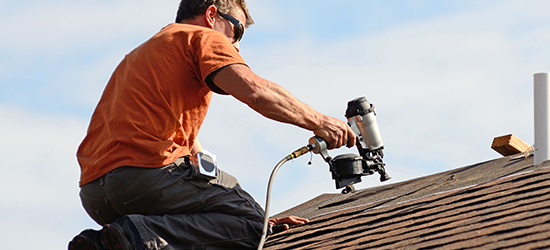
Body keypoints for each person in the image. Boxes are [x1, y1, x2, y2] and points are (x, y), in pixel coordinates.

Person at [68, 0, 356, 249]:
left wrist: (239, 216)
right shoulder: (201, 38)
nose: (237, 45)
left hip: (95, 194)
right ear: (212, 15)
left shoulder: (143, 55)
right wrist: (320, 122)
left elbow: (187, 146)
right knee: (251, 223)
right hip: (145, 175)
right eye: (237, 30)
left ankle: (117, 240)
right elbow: (255, 91)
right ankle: (132, 237)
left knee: (225, 222)